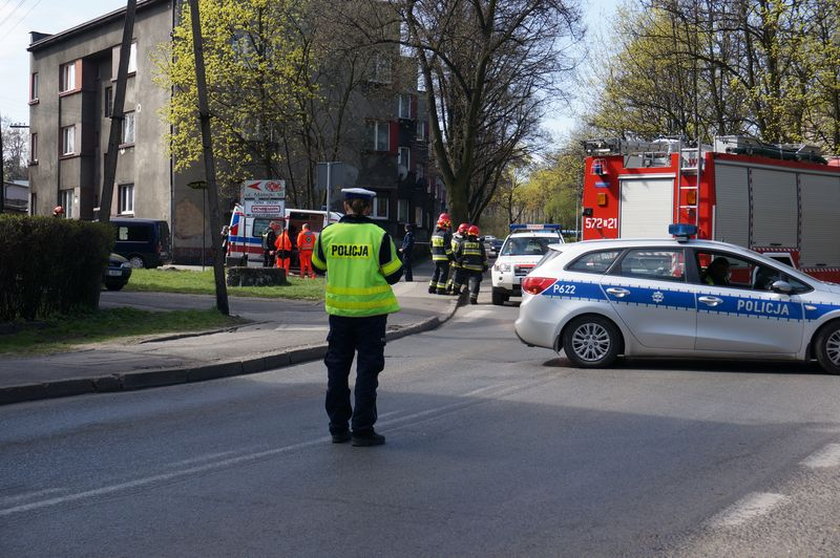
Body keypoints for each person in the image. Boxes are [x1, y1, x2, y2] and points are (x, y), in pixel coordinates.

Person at [311, 187, 403, 447]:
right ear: (368, 207)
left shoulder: (328, 234)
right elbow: (394, 274)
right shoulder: (378, 235)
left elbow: (318, 267)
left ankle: (338, 428)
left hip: (339, 315)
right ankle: (362, 430)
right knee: (367, 371)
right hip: (372, 315)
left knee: (337, 371)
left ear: (346, 204)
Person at [452, 225, 488, 304]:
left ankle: (455, 290)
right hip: (477, 269)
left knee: (459, 278)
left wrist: (460, 261)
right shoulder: (480, 245)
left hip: (465, 267)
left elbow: (457, 254)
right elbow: (484, 257)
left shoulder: (463, 243)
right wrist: (485, 266)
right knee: (475, 283)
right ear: (476, 234)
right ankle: (473, 298)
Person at [429, 213, 452, 294]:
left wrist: (433, 254)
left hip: (435, 258)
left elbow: (431, 245)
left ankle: (432, 288)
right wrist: (451, 258)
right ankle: (440, 290)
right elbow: (447, 248)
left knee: (436, 272)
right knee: (443, 273)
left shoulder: (434, 234)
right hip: (444, 258)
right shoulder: (445, 234)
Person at [446, 222, 469, 294]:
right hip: (457, 260)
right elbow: (460, 251)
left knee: (453, 275)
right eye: (466, 231)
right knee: (458, 277)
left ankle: (449, 287)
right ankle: (455, 289)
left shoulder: (454, 237)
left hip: (453, 259)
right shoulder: (461, 241)